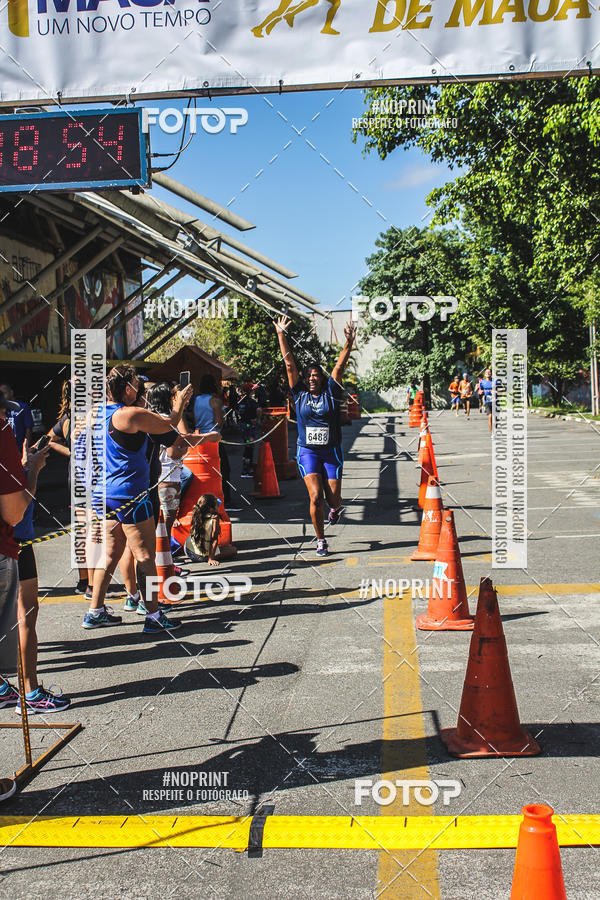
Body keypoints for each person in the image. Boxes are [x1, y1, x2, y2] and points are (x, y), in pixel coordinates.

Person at [85, 366, 192, 633]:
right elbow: (168, 426)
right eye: (137, 385)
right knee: (146, 556)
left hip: (104, 493)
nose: (141, 389)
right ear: (127, 389)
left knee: (110, 552)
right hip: (130, 493)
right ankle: (154, 616)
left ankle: (95, 610)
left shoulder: (95, 413)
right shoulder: (129, 414)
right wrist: (179, 405)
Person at [275, 314, 355, 557]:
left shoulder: (331, 391)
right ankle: (321, 540)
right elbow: (290, 365)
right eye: (308, 375)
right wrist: (281, 334)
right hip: (308, 451)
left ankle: (335, 509)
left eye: (315, 375)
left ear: (321, 379)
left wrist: (349, 343)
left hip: (331, 452)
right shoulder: (299, 393)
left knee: (333, 501)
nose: (311, 378)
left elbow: (339, 367)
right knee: (315, 497)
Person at [0, 393, 50, 761]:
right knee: (26, 612)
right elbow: (15, 510)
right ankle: (29, 691)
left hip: (16, 540)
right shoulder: (2, 431)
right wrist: (31, 471)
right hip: (12, 540)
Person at [186, 494, 236, 566]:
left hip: (189, 550)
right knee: (233, 550)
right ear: (211, 509)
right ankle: (208, 556)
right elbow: (214, 540)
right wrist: (211, 558)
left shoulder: (197, 515)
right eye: (216, 504)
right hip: (200, 556)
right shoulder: (214, 519)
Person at [238, 383, 262, 478]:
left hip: (243, 426)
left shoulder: (241, 401)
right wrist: (257, 419)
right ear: (251, 391)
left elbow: (238, 411)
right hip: (249, 427)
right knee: (249, 448)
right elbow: (259, 410)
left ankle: (246, 468)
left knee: (247, 447)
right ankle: (247, 470)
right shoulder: (251, 402)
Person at [0, 384, 33, 450]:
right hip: (5, 448)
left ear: (11, 393)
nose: (2, 397)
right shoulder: (2, 409)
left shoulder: (23, 407)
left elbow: (28, 428)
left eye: (4, 393)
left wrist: (26, 448)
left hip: (20, 447)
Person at [479, 368, 500, 437]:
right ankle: (492, 433)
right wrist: (480, 392)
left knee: (496, 417)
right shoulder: (482, 382)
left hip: (495, 401)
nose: (488, 373)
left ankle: (496, 428)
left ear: (491, 373)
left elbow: (501, 389)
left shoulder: (495, 381)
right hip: (487, 401)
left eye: (489, 372)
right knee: (490, 416)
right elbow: (480, 391)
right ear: (485, 374)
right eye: (486, 372)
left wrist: (496, 391)